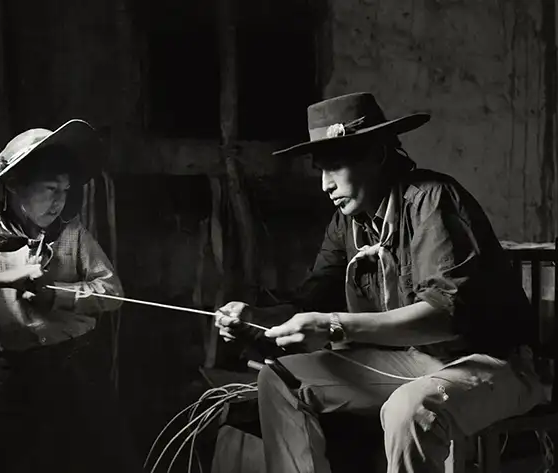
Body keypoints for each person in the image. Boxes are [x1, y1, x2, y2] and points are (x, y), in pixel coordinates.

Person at [214, 92, 546, 473]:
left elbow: (445, 315)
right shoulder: (347, 225)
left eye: (335, 166)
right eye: (320, 169)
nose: (325, 185)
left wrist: (333, 326)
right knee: (281, 378)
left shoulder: (431, 200)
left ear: (376, 154)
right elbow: (310, 299)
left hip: (492, 362)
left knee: (409, 409)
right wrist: (258, 317)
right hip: (414, 362)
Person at [0, 119, 140, 473]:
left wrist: (56, 297)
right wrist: (7, 278)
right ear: (14, 185)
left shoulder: (73, 235)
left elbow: (112, 293)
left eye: (66, 190)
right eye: (49, 189)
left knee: (107, 459)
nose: (60, 201)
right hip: (20, 369)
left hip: (78, 364)